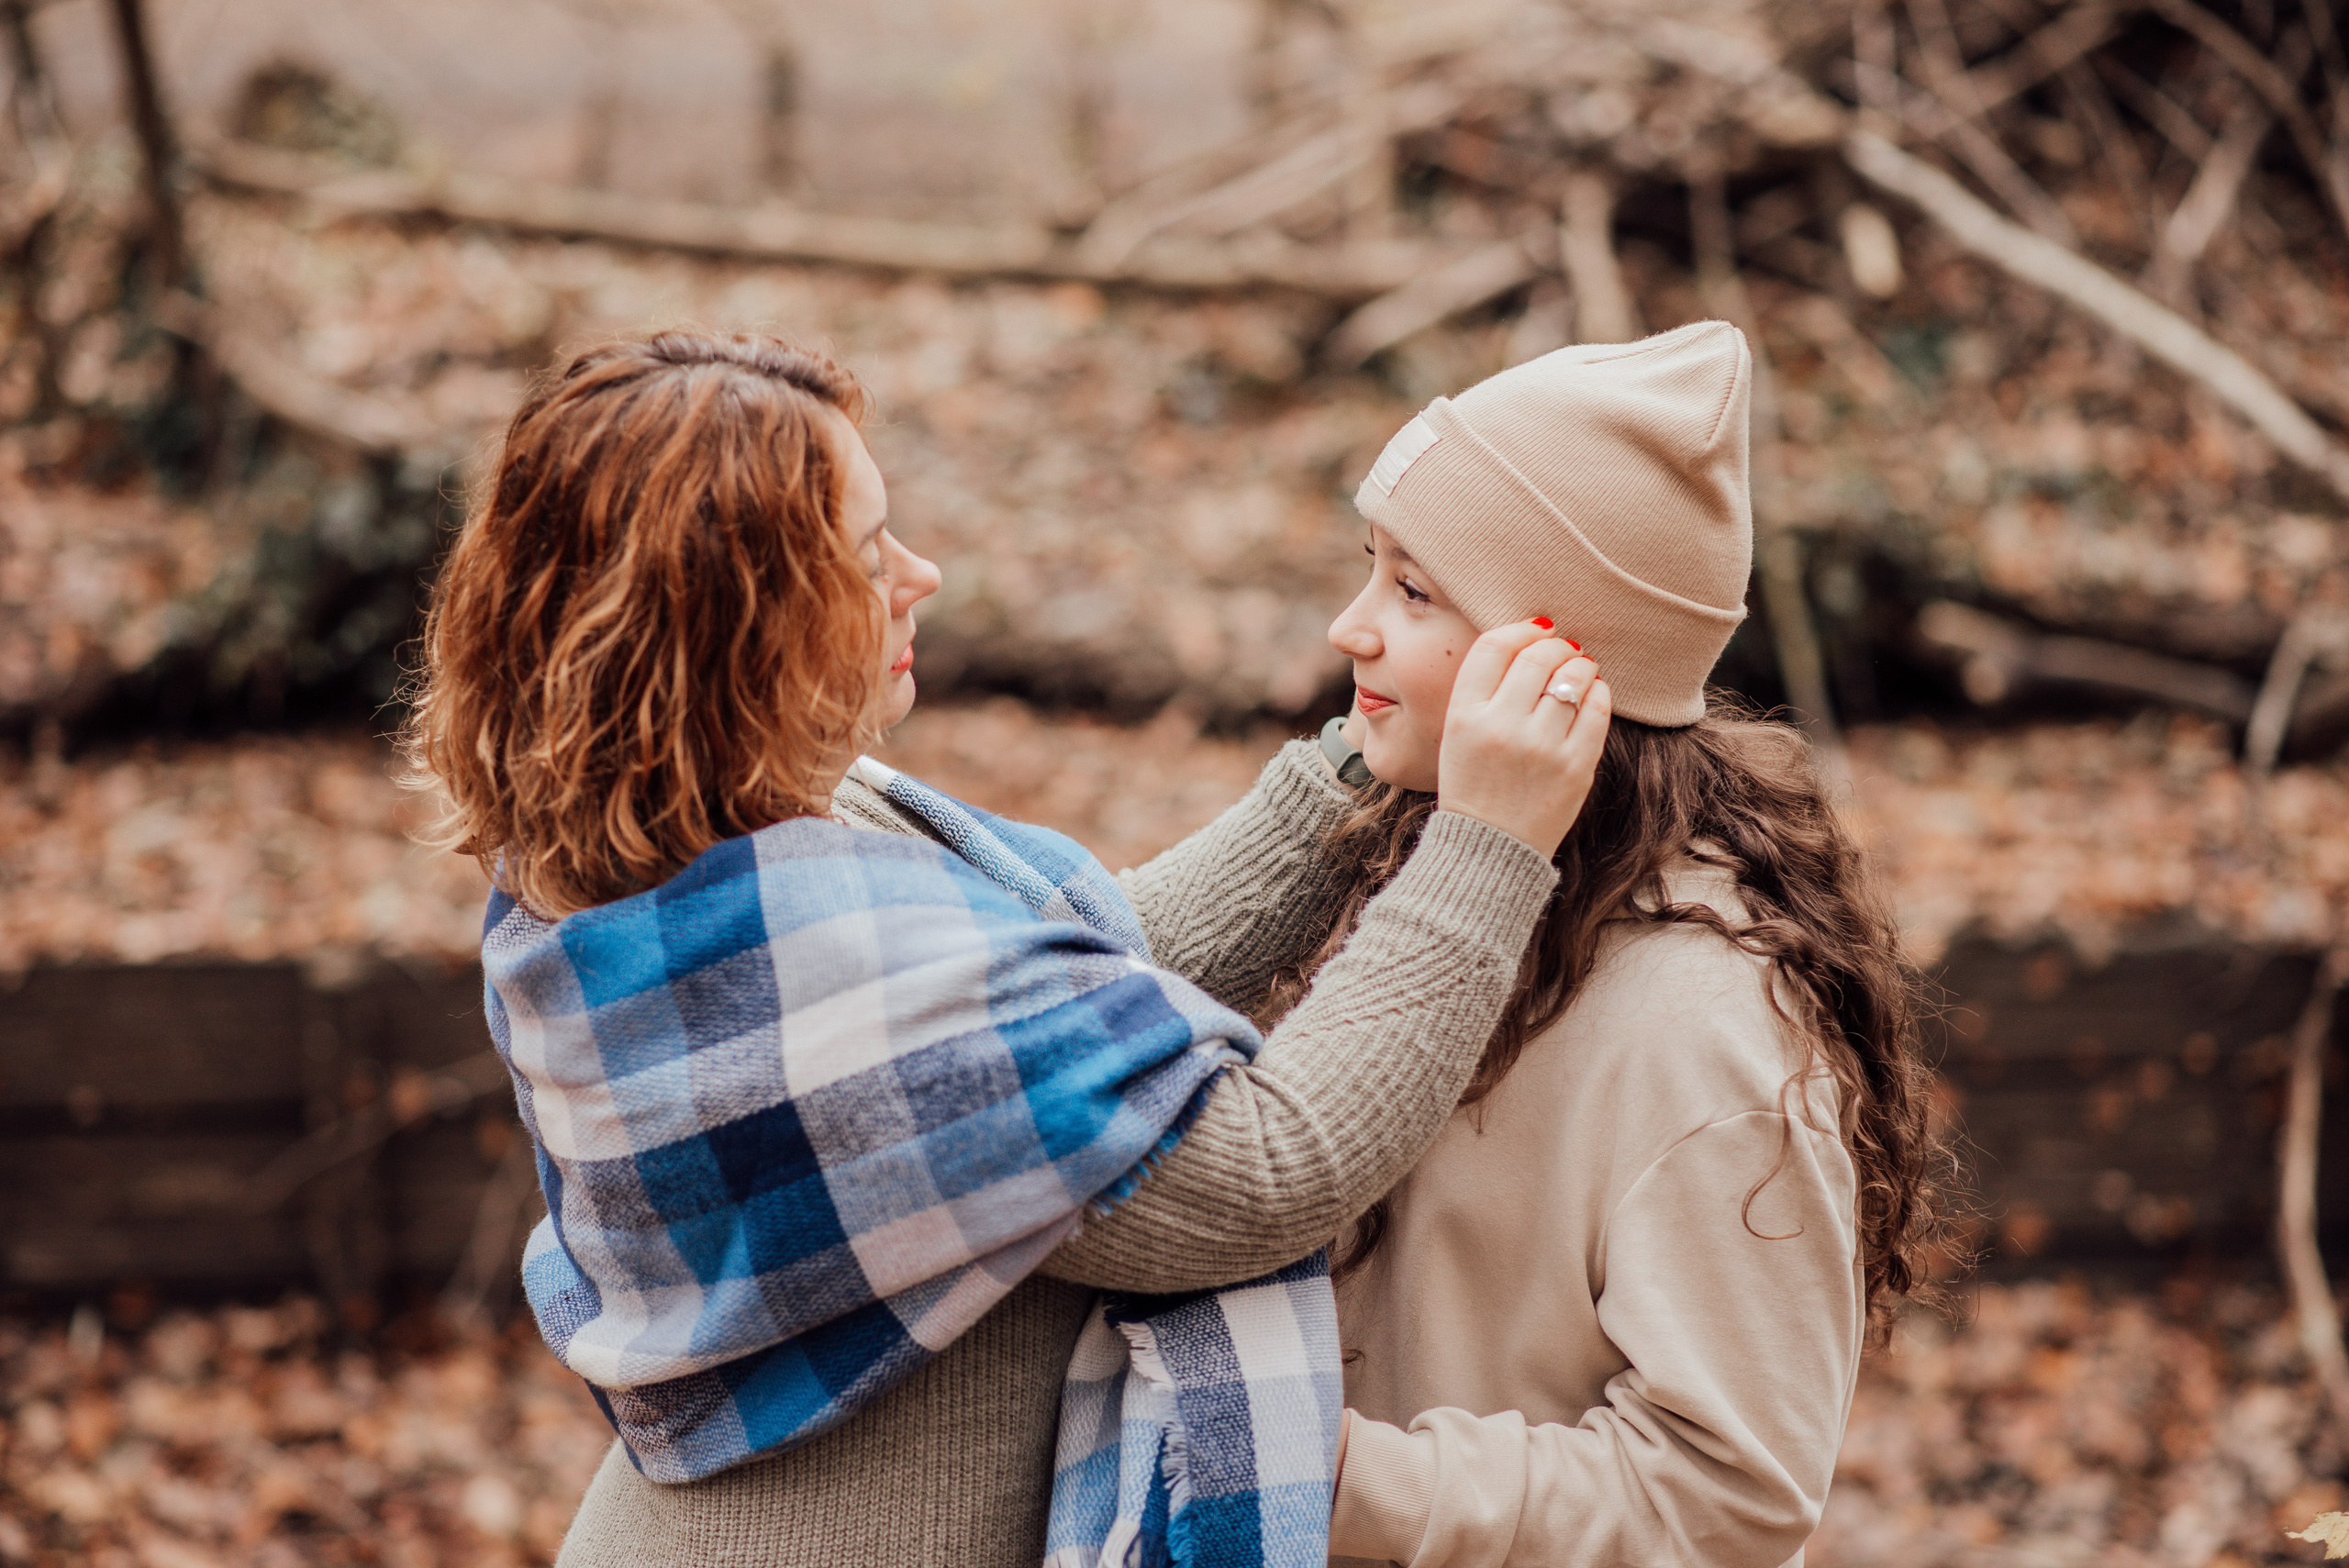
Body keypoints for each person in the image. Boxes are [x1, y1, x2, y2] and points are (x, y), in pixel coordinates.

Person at [397, 328, 1614, 1568]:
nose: (920, 572)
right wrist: (1483, 841)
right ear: (736, 624)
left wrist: (1371, 753)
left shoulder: (683, 849)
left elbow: (1103, 980)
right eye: (866, 555)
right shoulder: (816, 964)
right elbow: (1267, 1171)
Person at [1297, 321, 1944, 1568]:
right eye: (1370, 568)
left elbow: (1728, 1494)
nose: (1351, 626)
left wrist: (1327, 1474)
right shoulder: (1425, 880)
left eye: (1415, 590)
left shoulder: (1707, 1030)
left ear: (1558, 658)